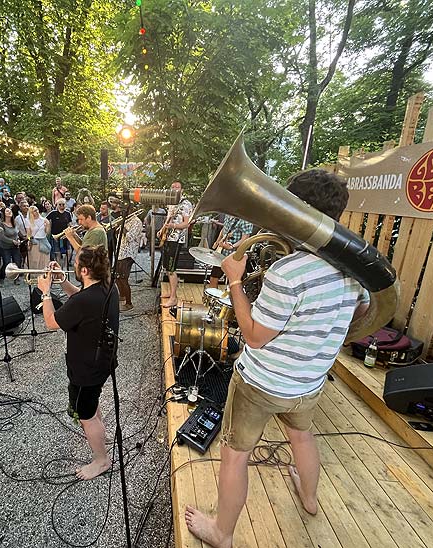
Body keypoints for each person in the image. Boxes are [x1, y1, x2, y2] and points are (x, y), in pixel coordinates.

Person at [184, 169, 370, 548]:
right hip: (309, 382)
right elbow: (362, 313)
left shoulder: (288, 271)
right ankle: (310, 497)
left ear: (295, 211)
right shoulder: (357, 268)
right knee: (302, 436)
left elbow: (253, 337)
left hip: (261, 384)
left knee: (235, 455)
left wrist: (235, 280)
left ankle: (222, 533)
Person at [37, 246, 119, 480]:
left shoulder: (84, 300)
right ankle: (100, 436)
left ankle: (101, 459)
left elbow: (52, 322)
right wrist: (63, 281)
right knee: (91, 405)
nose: (71, 264)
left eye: (74, 262)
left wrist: (45, 292)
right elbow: (79, 296)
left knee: (86, 415)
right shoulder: (107, 287)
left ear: (84, 270)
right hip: (102, 360)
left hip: (85, 368)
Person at [160, 181, 192, 308]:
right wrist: (162, 229)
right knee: (167, 267)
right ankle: (171, 292)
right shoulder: (172, 202)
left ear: (182, 190)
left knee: (172, 269)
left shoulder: (186, 204)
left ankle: (173, 298)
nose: (174, 189)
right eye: (172, 187)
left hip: (176, 239)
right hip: (168, 237)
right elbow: (169, 219)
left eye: (177, 187)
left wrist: (173, 226)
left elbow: (186, 224)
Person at [207, 215, 253, 289]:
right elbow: (224, 229)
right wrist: (217, 241)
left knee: (233, 283)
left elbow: (245, 239)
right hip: (222, 253)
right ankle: (212, 299)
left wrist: (232, 247)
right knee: (213, 278)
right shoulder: (228, 215)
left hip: (235, 256)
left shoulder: (246, 219)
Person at [114, 206, 143, 312]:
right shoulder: (125, 220)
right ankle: (122, 296)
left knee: (123, 277)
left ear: (131, 210)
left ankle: (129, 303)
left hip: (128, 253)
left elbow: (130, 237)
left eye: (124, 211)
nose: (122, 213)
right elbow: (119, 236)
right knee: (116, 276)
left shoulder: (137, 221)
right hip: (120, 252)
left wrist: (122, 227)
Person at [47, 198, 73, 268]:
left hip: (66, 236)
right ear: (57, 205)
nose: (61, 206)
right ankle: (59, 268)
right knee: (57, 253)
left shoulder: (68, 213)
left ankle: (65, 266)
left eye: (63, 204)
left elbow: (69, 224)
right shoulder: (53, 213)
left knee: (69, 251)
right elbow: (45, 220)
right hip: (55, 236)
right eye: (60, 204)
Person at [25, 205, 50, 269]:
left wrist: (47, 225)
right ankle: (34, 276)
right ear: (31, 213)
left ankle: (44, 276)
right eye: (35, 211)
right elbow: (28, 234)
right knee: (35, 260)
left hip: (43, 241)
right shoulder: (28, 221)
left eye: (37, 210)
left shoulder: (44, 220)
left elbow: (47, 232)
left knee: (45, 261)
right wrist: (29, 241)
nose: (37, 211)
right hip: (34, 242)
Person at [0, 206, 20, 279]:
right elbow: (2, 237)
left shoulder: (14, 223)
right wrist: (12, 241)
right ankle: (2, 277)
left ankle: (16, 277)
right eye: (7, 211)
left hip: (15, 246)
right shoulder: (1, 224)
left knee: (17, 261)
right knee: (6, 263)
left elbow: (16, 233)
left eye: (10, 210)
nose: (10, 212)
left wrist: (18, 240)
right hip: (5, 247)